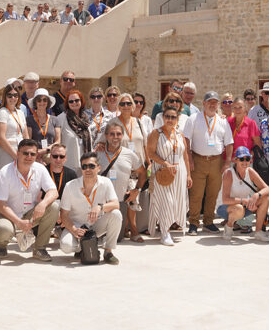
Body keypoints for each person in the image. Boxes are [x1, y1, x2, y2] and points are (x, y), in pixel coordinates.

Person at [0, 139, 59, 261]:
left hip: (29, 215)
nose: (29, 157)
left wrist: (43, 204)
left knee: (54, 206)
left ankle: (39, 248)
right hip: (7, 215)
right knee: (4, 229)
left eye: (32, 154)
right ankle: (2, 245)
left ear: (36, 155)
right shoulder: (5, 172)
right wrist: (19, 222)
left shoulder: (40, 169)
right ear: (18, 153)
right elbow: (0, 205)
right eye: (25, 153)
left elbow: (53, 191)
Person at [183, 91, 234, 234]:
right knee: (196, 194)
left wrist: (227, 162)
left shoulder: (223, 121)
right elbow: (186, 139)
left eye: (215, 102)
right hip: (198, 160)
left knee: (213, 193)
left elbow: (229, 142)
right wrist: (189, 159)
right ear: (204, 103)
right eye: (209, 102)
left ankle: (208, 221)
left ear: (218, 105)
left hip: (217, 162)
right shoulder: (194, 118)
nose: (212, 105)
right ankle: (193, 222)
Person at [60, 151, 122, 264]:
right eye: (84, 166)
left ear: (98, 168)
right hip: (77, 226)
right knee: (66, 247)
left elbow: (115, 204)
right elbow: (64, 214)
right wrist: (74, 230)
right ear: (81, 169)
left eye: (91, 166)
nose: (88, 169)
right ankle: (82, 248)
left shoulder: (106, 182)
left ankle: (108, 252)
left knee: (116, 214)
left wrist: (100, 207)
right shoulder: (70, 186)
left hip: (96, 225)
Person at [146, 94, 190, 246]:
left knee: (177, 201)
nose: (170, 120)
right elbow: (150, 153)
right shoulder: (156, 133)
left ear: (177, 119)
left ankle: (171, 227)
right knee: (167, 202)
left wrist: (188, 175)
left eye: (173, 117)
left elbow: (185, 156)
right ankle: (165, 232)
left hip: (179, 173)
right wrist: (165, 163)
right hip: (162, 173)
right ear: (163, 117)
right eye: (167, 117)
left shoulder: (180, 135)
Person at [96, 119, 144, 241]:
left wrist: (137, 190)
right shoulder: (97, 153)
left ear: (122, 135)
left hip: (120, 203)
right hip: (100, 204)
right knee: (98, 236)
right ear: (106, 136)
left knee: (117, 238)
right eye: (112, 134)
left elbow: (143, 172)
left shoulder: (129, 154)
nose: (115, 137)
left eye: (118, 134)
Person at [220, 146, 269, 241]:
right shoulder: (229, 173)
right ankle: (229, 227)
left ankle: (258, 232)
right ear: (235, 160)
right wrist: (244, 201)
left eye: (247, 159)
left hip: (243, 205)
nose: (245, 162)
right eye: (241, 159)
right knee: (239, 208)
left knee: (265, 198)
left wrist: (256, 195)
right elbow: (225, 200)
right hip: (226, 207)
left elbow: (267, 189)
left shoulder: (250, 171)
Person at [55, 89, 95, 171]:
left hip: (85, 165)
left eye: (77, 100)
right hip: (69, 165)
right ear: (67, 103)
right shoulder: (61, 118)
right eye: (71, 101)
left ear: (81, 101)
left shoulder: (86, 118)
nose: (74, 103)